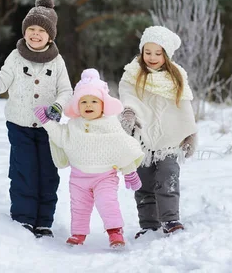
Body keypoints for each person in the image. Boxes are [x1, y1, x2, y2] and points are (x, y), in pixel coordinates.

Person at [0, 0, 72, 238]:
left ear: (50, 35)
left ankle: (44, 222)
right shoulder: (15, 57)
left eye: (42, 30)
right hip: (19, 126)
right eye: (31, 28)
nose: (35, 34)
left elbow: (66, 91)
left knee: (47, 175)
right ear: (25, 31)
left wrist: (59, 107)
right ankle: (24, 219)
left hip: (48, 128)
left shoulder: (58, 61)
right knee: (24, 172)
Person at [34, 68, 144, 248]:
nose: (88, 105)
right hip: (79, 177)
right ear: (77, 105)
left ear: (103, 104)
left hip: (105, 176)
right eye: (83, 101)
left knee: (107, 203)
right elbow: (60, 136)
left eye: (94, 101)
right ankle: (78, 234)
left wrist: (130, 171)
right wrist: (47, 122)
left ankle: (115, 232)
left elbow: (122, 147)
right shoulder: (73, 125)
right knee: (79, 206)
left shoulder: (110, 125)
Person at [118, 26, 198, 239]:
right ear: (141, 51)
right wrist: (129, 113)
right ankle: (148, 224)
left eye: (158, 53)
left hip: (169, 141)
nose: (152, 57)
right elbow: (127, 95)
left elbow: (184, 106)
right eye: (148, 52)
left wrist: (189, 133)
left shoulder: (177, 76)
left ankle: (171, 219)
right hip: (142, 138)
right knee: (143, 183)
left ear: (167, 54)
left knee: (167, 177)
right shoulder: (133, 74)